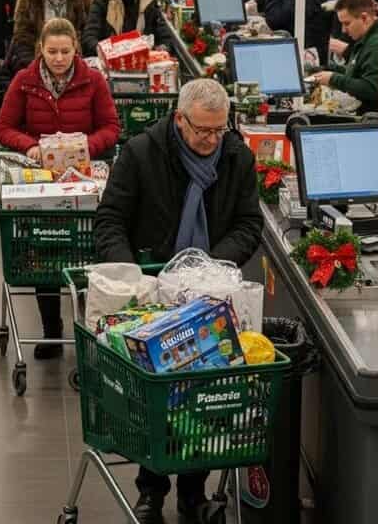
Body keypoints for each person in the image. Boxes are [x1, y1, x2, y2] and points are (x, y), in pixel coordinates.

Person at [94, 78, 263, 524]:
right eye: (202, 130)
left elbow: (249, 224)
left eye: (218, 130)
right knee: (154, 395)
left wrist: (209, 269)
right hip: (150, 291)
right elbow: (110, 218)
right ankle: (151, 489)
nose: (211, 140)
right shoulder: (141, 153)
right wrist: (130, 277)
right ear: (179, 119)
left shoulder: (237, 157)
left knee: (204, 397)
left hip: (211, 295)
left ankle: (194, 490)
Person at [0, 17, 119, 354]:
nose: (59, 58)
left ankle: (87, 327)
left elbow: (111, 127)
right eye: (52, 51)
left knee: (82, 252)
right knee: (44, 252)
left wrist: (84, 147)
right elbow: (4, 127)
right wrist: (31, 146)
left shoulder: (93, 81)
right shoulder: (24, 81)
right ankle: (52, 329)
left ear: (75, 50)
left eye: (65, 51)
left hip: (84, 180)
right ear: (41, 49)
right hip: (41, 182)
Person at [312, 0, 378, 115]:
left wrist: (334, 79)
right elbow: (357, 73)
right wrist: (327, 70)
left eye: (347, 23)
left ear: (364, 18)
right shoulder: (369, 39)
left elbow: (372, 88)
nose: (344, 30)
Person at [9, 0, 92, 70]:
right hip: (36, 58)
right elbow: (22, 35)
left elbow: (86, 30)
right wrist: (31, 64)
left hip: (73, 58)